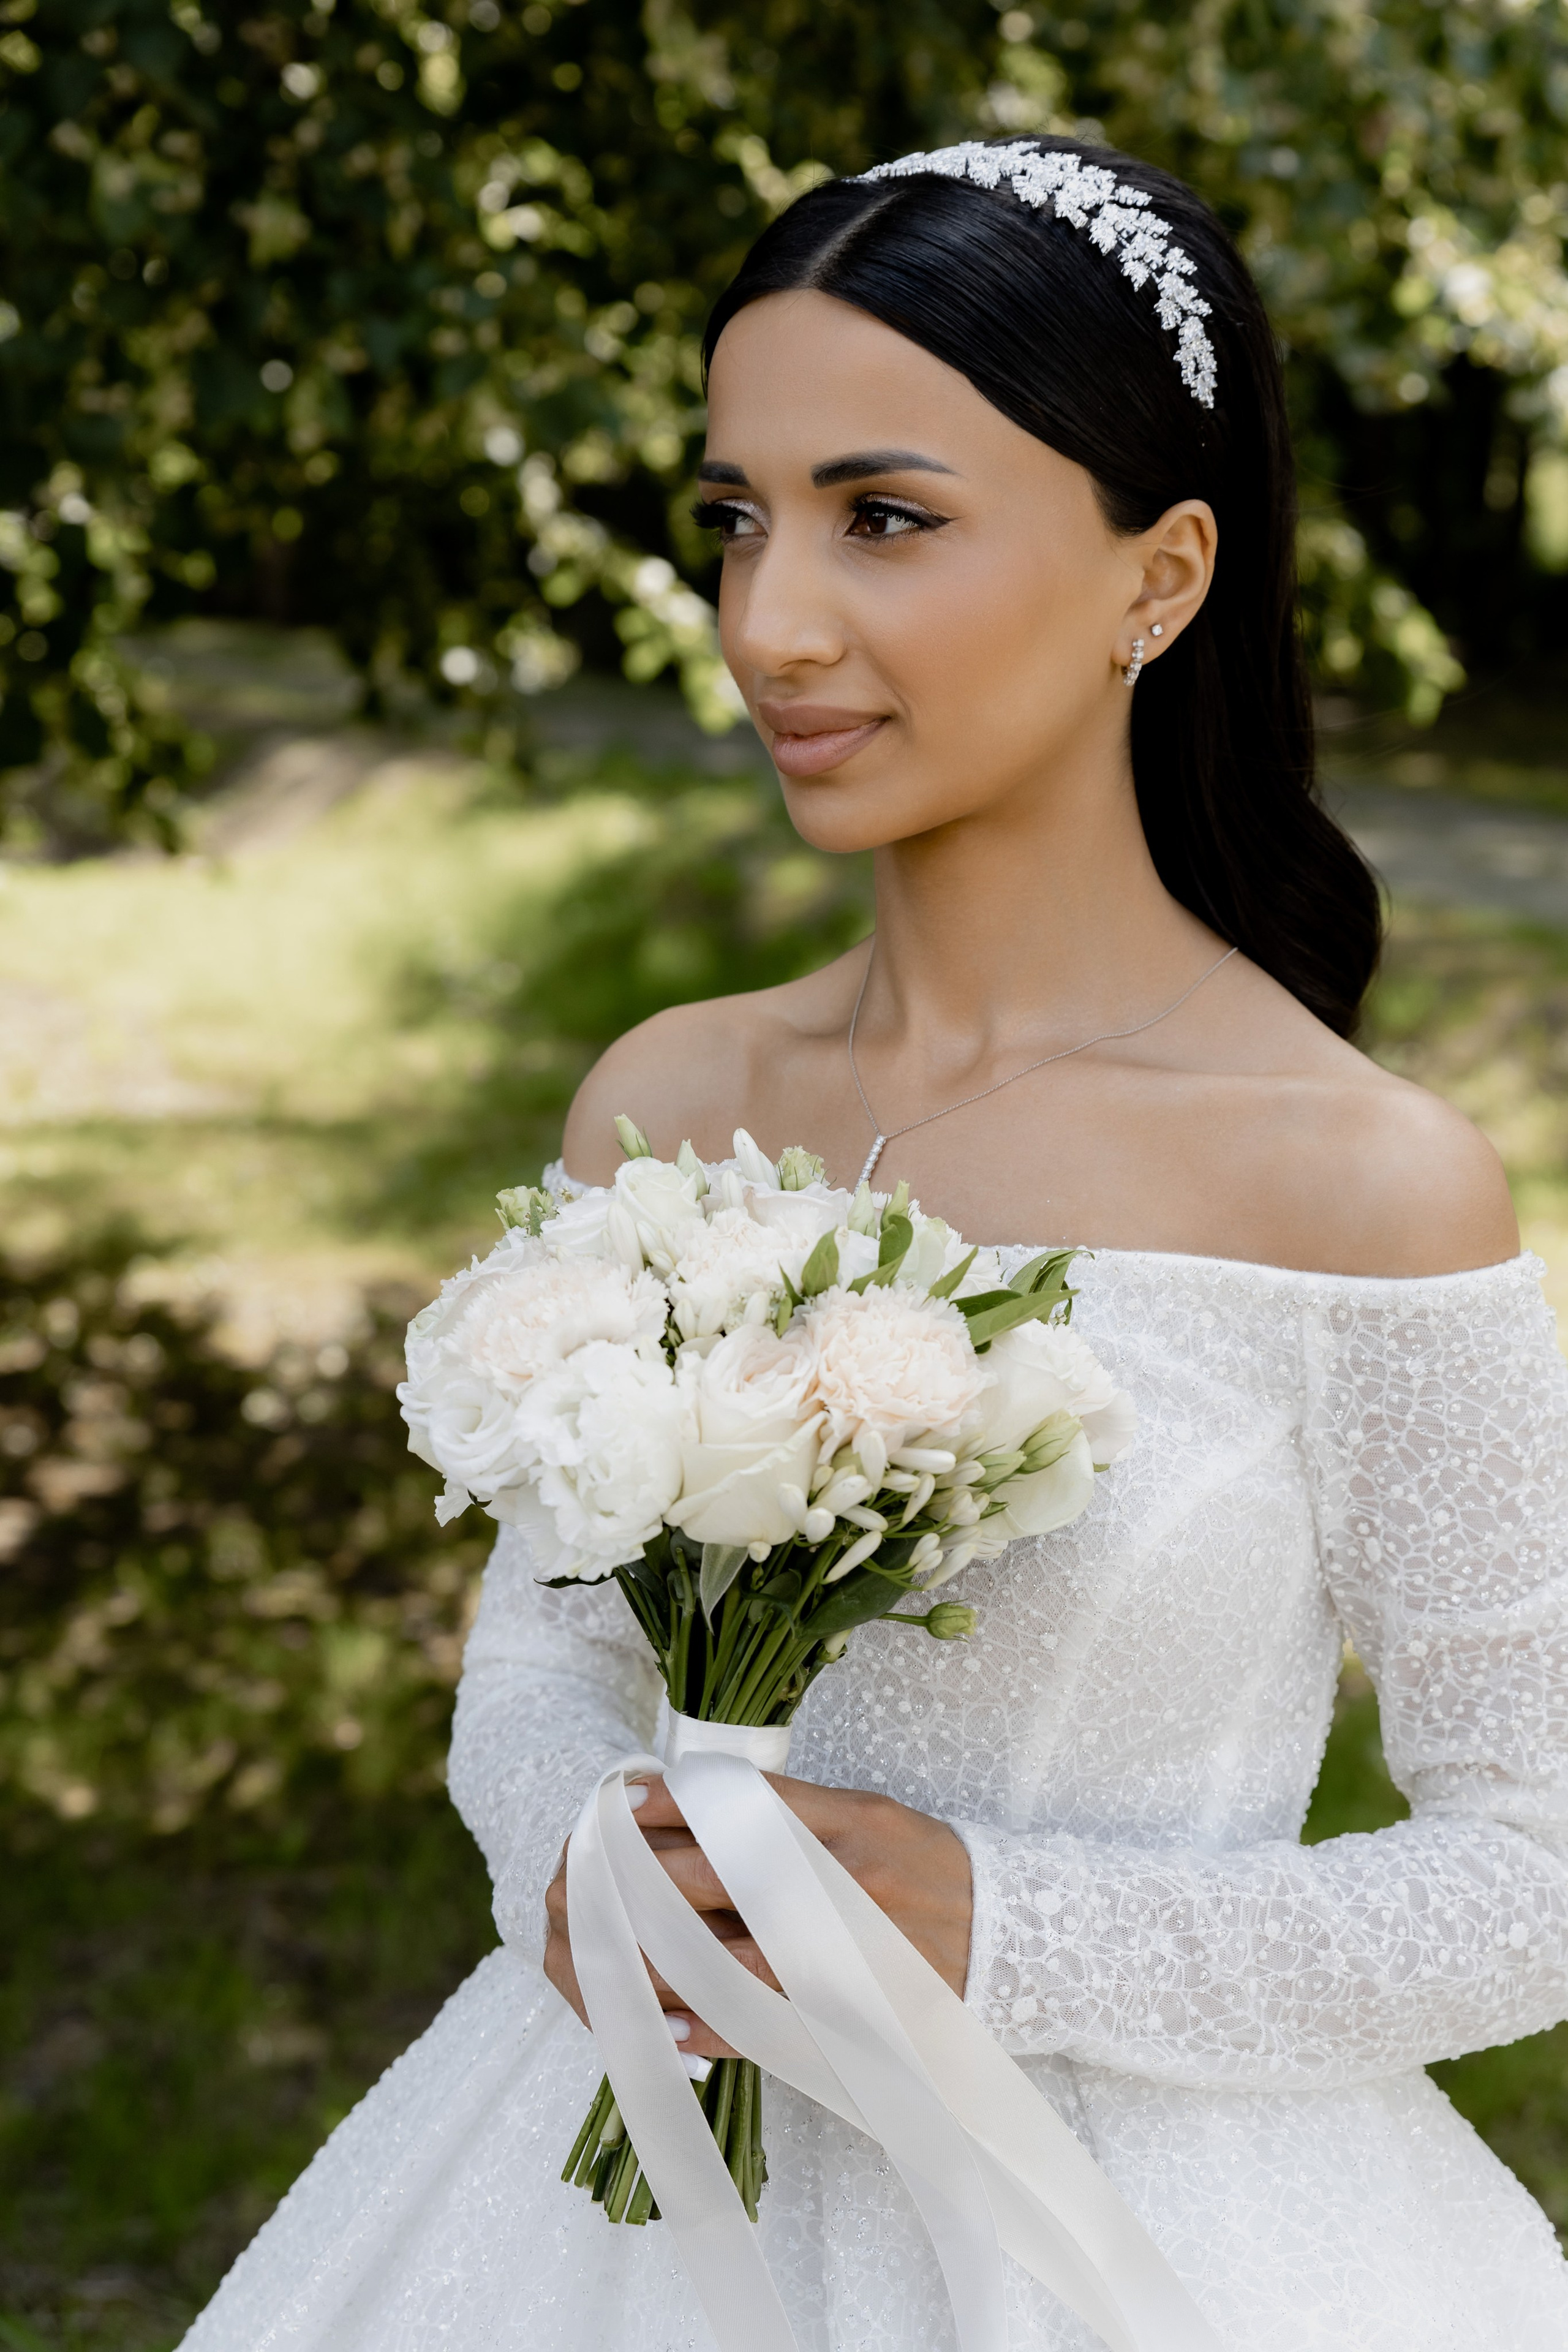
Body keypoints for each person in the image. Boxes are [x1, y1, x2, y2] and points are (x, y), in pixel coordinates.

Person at [178, 136, 1568, 2351]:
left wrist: (993, 1923)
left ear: (1162, 575)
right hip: (596, 2206)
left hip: (1157, 2249)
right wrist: (590, 1855)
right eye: (736, 517)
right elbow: (542, 1667)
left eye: (882, 519)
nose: (766, 622)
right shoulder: (668, 1102)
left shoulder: (1365, 1187)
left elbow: (1537, 1875)